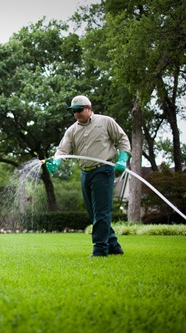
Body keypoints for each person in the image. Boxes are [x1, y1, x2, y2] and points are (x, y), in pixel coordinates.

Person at [45, 95, 131, 257]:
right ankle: (113, 245)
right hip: (86, 173)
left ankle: (100, 249)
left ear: (89, 108)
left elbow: (122, 139)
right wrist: (56, 162)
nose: (76, 113)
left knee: (101, 212)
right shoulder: (72, 130)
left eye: (79, 110)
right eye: (73, 111)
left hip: (103, 169)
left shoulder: (105, 122)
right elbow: (62, 150)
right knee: (93, 213)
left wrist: (123, 157)